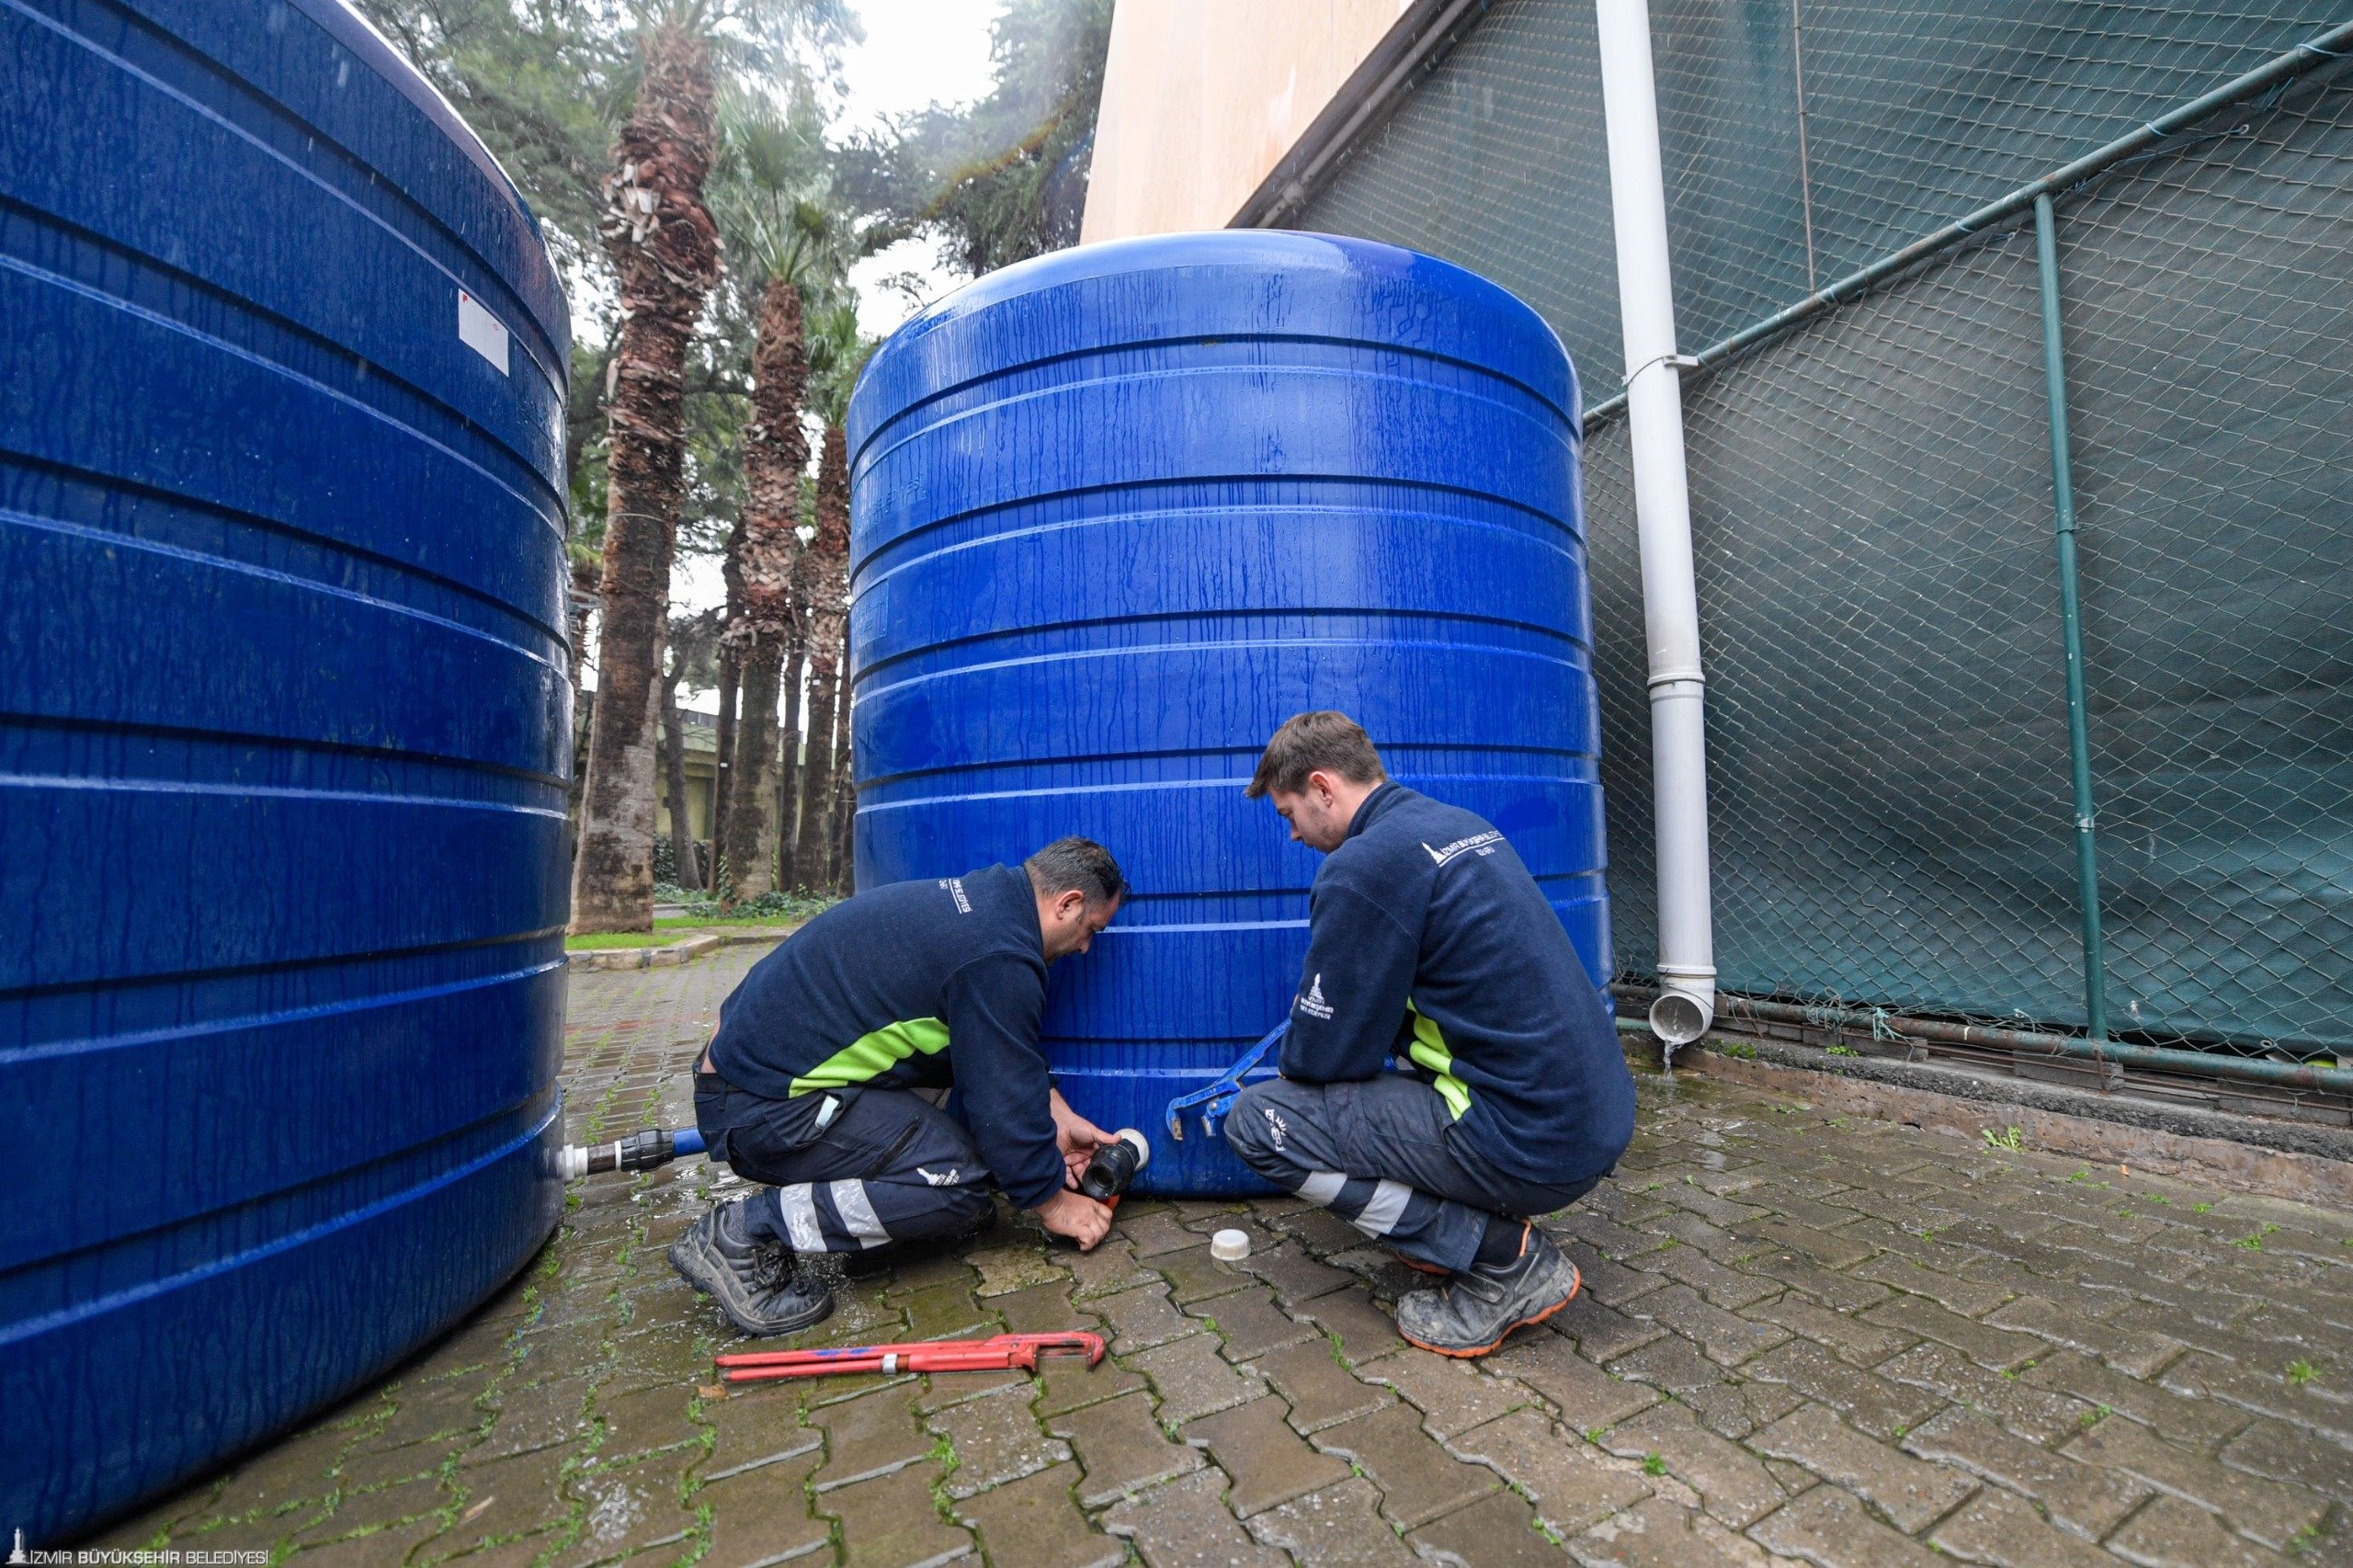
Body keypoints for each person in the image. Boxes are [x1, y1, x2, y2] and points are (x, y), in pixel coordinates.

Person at [1222, 712, 1634, 1357]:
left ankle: (1504, 1261)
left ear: (1324, 787)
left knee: (1263, 1122)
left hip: (1532, 1138)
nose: (1295, 834)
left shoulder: (1363, 866)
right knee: (1396, 1068)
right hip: (1591, 1116)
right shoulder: (1457, 826)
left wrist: (1314, 1041)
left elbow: (1323, 1058)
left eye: (1290, 813)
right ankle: (1465, 1231)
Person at [670, 837, 1128, 1336]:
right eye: (1090, 931)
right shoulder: (998, 955)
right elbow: (1003, 1105)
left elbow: (996, 1051)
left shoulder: (987, 908)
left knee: (971, 1160)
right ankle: (745, 1232)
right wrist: (1054, 1203)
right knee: (957, 1181)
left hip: (748, 1079)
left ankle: (895, 1212)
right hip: (760, 1107)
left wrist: (1052, 1109)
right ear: (1068, 904)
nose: (1085, 947)